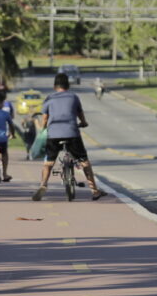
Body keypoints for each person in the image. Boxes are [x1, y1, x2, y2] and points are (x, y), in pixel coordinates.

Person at [31, 73, 107, 201]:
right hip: (72, 133)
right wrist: (83, 123)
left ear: (55, 86)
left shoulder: (49, 98)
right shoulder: (74, 97)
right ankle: (94, 190)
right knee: (84, 161)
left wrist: (44, 128)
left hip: (53, 135)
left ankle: (43, 184)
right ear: (67, 85)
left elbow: (45, 118)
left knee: (48, 163)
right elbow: (80, 114)